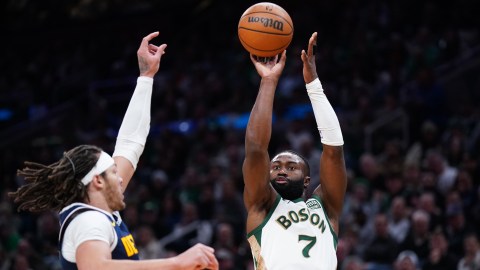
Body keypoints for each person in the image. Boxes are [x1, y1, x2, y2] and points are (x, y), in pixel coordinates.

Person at [9, 31, 218, 270]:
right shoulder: (89, 220)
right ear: (97, 181)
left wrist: (146, 77)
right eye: (112, 173)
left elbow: (130, 143)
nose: (120, 176)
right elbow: (96, 267)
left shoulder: (100, 213)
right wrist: (176, 263)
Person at [242, 32, 347, 269]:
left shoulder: (325, 207)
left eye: (291, 167)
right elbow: (256, 150)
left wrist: (313, 86)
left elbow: (334, 151)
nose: (281, 170)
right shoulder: (262, 204)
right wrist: (268, 81)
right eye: (276, 166)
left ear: (307, 180)